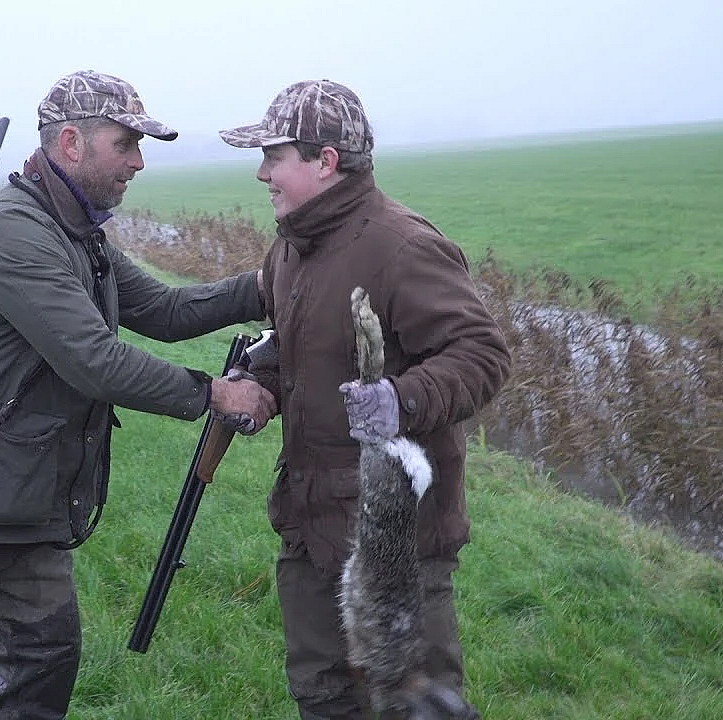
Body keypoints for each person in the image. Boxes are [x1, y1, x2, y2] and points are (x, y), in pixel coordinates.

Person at [0, 70, 276, 720]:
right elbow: (93, 362)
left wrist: (268, 283)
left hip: (29, 507)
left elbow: (164, 309)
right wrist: (215, 394)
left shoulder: (78, 235)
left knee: (46, 666)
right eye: (126, 143)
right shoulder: (12, 234)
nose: (138, 161)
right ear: (71, 143)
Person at [218, 80, 511, 719]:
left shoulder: (402, 246)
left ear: (325, 161)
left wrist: (399, 400)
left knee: (416, 706)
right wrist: (263, 386)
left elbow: (483, 355)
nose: (261, 172)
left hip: (395, 539)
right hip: (309, 524)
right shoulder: (291, 247)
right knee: (323, 697)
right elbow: (299, 350)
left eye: (274, 155)